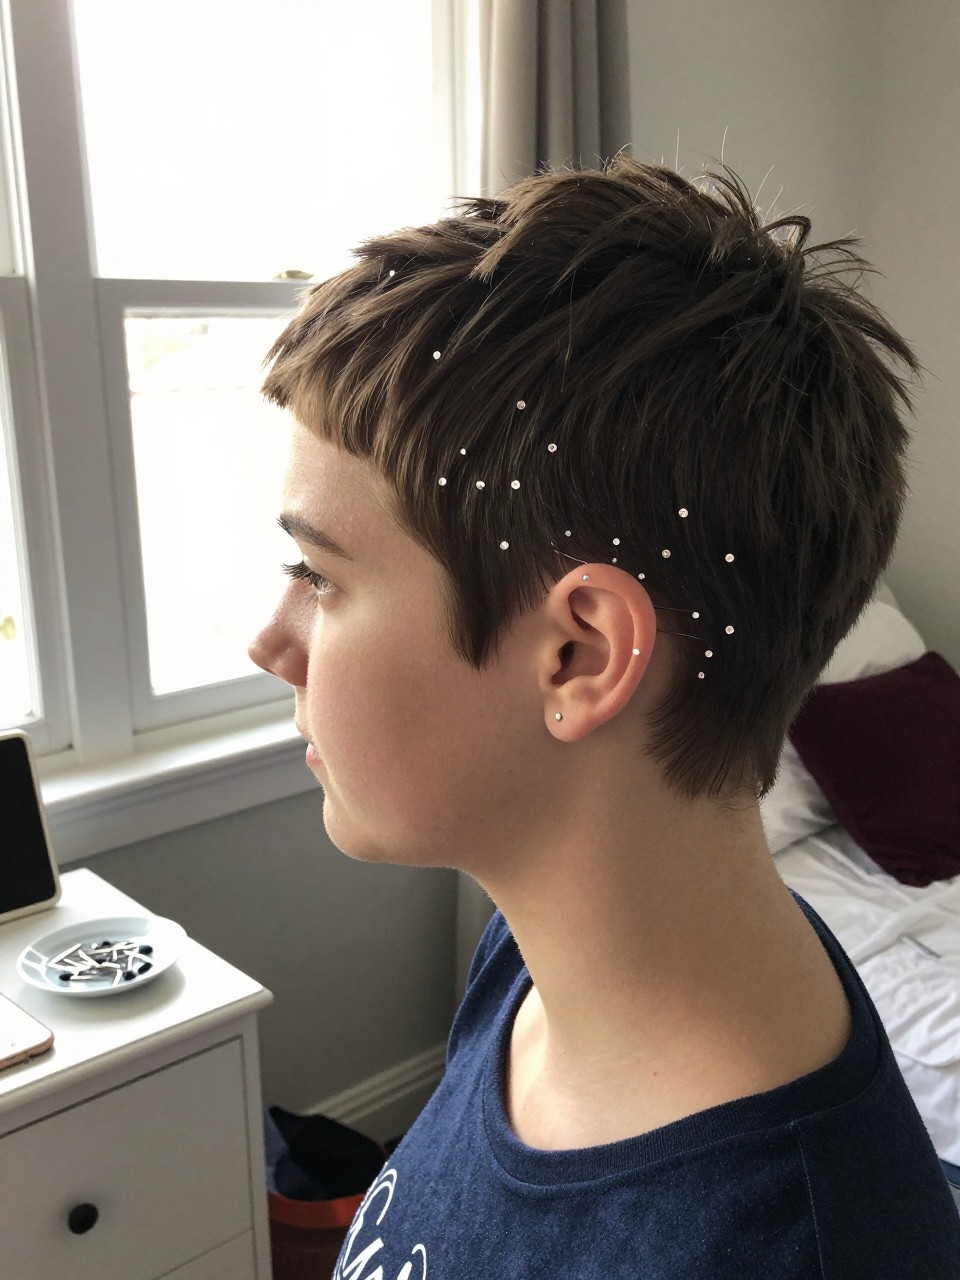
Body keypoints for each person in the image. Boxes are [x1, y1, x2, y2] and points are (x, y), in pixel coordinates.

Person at [248, 157, 960, 1278]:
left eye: (320, 575)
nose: (272, 640)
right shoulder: (539, 962)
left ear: (579, 654)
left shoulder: (782, 1246)